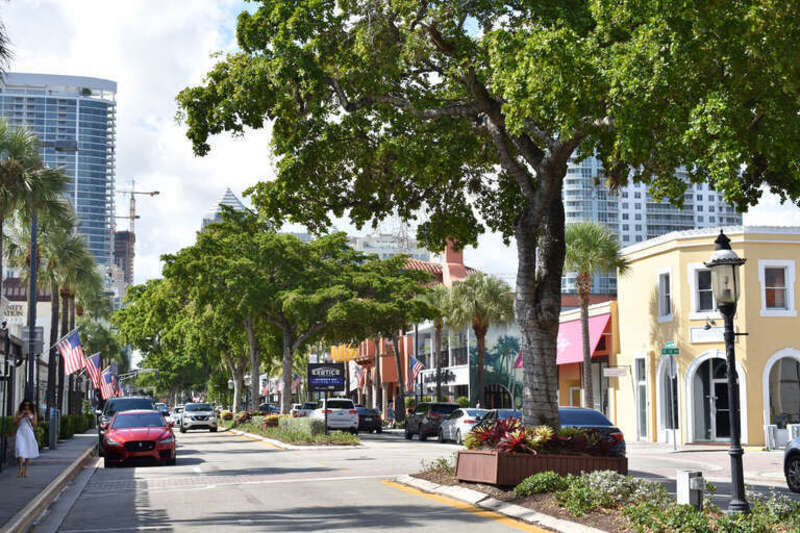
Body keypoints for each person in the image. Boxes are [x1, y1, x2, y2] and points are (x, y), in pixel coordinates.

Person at [14, 400, 39, 478]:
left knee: (28, 450)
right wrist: (21, 416)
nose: (26, 407)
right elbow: (14, 422)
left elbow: (35, 424)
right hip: (20, 432)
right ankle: (20, 469)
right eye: (25, 405)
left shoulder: (33, 413)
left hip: (29, 433)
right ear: (22, 405)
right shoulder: (19, 412)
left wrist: (29, 417)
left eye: (28, 405)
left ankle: (26, 470)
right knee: (19, 449)